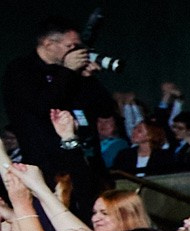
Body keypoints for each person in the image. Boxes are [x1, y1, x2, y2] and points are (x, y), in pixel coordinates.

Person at [3, 17, 113, 198]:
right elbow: (42, 106)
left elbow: (106, 110)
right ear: (48, 44)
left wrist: (88, 79)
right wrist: (67, 71)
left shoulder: (72, 74)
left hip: (89, 162)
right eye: (70, 46)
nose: (76, 52)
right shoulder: (21, 70)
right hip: (50, 166)